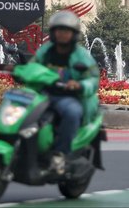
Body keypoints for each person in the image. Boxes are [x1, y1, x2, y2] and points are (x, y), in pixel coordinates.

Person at [32, 11, 99, 170]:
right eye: (59, 30)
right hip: (43, 94)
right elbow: (33, 65)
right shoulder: (45, 51)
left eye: (66, 30)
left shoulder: (81, 55)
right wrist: (19, 71)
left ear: (73, 34)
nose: (62, 34)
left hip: (68, 97)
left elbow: (93, 78)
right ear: (53, 32)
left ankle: (59, 154)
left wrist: (79, 85)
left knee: (72, 112)